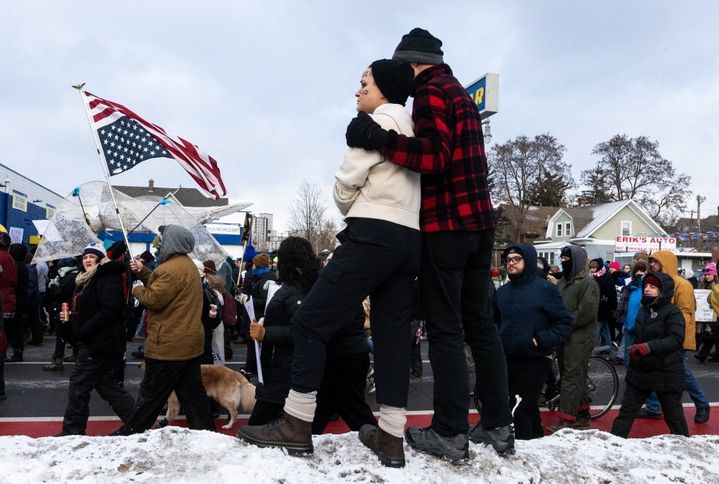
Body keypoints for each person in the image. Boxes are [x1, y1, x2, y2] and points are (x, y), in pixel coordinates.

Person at [239, 58, 420, 468]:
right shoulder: (411, 126)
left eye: (364, 84)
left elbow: (343, 190)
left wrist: (353, 203)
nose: (358, 91)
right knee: (393, 336)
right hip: (410, 238)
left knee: (309, 323)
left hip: (372, 230)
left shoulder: (372, 126)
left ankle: (296, 422)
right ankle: (391, 438)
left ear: (384, 89)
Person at [344, 27, 514, 458]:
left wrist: (381, 139)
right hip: (479, 227)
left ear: (413, 63)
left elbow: (434, 156)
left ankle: (450, 431)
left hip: (447, 228)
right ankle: (498, 425)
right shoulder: (458, 93)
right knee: (481, 328)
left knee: (445, 330)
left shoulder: (430, 94)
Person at [113, 225, 215, 435]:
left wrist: (136, 289)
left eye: (163, 239)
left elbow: (154, 299)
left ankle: (130, 433)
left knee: (150, 396)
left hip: (168, 346)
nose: (160, 244)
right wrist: (143, 271)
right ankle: (206, 434)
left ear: (172, 242)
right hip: (190, 344)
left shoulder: (168, 269)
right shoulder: (186, 265)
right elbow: (165, 286)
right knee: (193, 396)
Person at [495, 244, 573, 439]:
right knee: (526, 409)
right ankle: (537, 445)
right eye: (508, 260)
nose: (511, 263)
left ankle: (523, 451)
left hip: (537, 358)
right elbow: (493, 321)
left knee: (519, 408)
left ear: (527, 261)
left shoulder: (545, 289)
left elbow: (564, 323)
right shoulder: (502, 293)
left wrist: (539, 340)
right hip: (510, 357)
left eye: (516, 259)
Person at [58, 243, 136, 435]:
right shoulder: (84, 280)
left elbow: (110, 310)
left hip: (99, 341)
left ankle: (72, 431)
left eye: (92, 257)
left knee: (78, 385)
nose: (87, 260)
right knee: (107, 386)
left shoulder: (107, 276)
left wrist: (84, 330)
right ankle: (137, 422)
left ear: (100, 259)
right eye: (85, 257)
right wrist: (69, 321)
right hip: (95, 341)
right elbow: (85, 309)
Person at [610, 272, 689, 437]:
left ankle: (686, 449)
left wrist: (648, 347)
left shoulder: (672, 312)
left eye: (653, 287)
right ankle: (612, 447)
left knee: (674, 417)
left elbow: (676, 339)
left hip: (666, 372)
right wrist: (636, 353)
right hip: (641, 371)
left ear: (663, 291)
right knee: (626, 413)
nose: (647, 289)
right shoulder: (644, 310)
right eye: (646, 286)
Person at [645, 250, 709, 424]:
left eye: (656, 262)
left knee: (681, 373)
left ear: (666, 263)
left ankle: (702, 404)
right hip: (659, 337)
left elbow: (686, 313)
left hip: (674, 338)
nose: (652, 265)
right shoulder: (655, 283)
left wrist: (674, 336)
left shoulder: (682, 285)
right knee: (654, 371)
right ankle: (654, 407)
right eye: (651, 262)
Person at [548, 245, 599, 432]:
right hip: (564, 334)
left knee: (570, 377)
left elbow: (587, 312)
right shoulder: (563, 282)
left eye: (567, 259)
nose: (564, 261)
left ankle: (566, 420)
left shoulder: (588, 283)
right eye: (562, 258)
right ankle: (583, 415)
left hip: (579, 337)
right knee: (576, 376)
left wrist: (564, 322)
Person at [589, 258, 618, 349]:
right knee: (604, 330)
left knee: (595, 330)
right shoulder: (592, 276)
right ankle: (607, 347)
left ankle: (589, 349)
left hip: (603, 308)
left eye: (594, 268)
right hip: (598, 307)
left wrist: (613, 307)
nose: (592, 270)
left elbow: (612, 293)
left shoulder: (606, 277)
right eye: (591, 268)